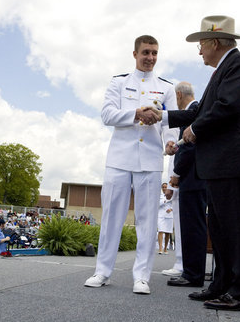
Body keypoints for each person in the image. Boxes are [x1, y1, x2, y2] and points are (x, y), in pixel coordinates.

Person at [156, 16, 240, 311]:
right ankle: (221, 284)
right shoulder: (222, 71)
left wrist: (196, 131)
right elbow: (200, 111)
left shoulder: (239, 65)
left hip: (232, 161)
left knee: (236, 228)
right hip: (219, 164)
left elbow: (226, 108)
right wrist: (163, 116)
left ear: (215, 42)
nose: (199, 50)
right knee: (220, 227)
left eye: (201, 44)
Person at [84, 35, 177, 295]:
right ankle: (102, 271)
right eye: (146, 52)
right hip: (119, 159)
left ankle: (142, 277)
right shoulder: (119, 82)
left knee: (147, 222)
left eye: (154, 53)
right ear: (135, 54)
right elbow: (107, 115)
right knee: (112, 217)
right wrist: (136, 113)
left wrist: (170, 143)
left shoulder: (166, 87)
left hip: (150, 159)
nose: (150, 58)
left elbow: (171, 123)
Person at [166, 81, 208, 289]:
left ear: (180, 95)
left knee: (193, 226)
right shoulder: (195, 110)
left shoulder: (194, 111)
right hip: (196, 177)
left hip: (194, 177)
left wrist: (177, 172)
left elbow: (190, 146)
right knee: (192, 225)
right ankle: (192, 272)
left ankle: (193, 274)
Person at [158, 183, 174, 254]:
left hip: (169, 216)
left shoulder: (172, 195)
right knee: (160, 230)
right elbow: (157, 204)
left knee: (167, 232)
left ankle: (165, 249)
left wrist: (171, 209)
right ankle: (160, 248)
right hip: (161, 215)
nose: (164, 188)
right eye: (163, 187)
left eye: (165, 187)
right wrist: (165, 201)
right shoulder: (159, 196)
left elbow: (175, 203)